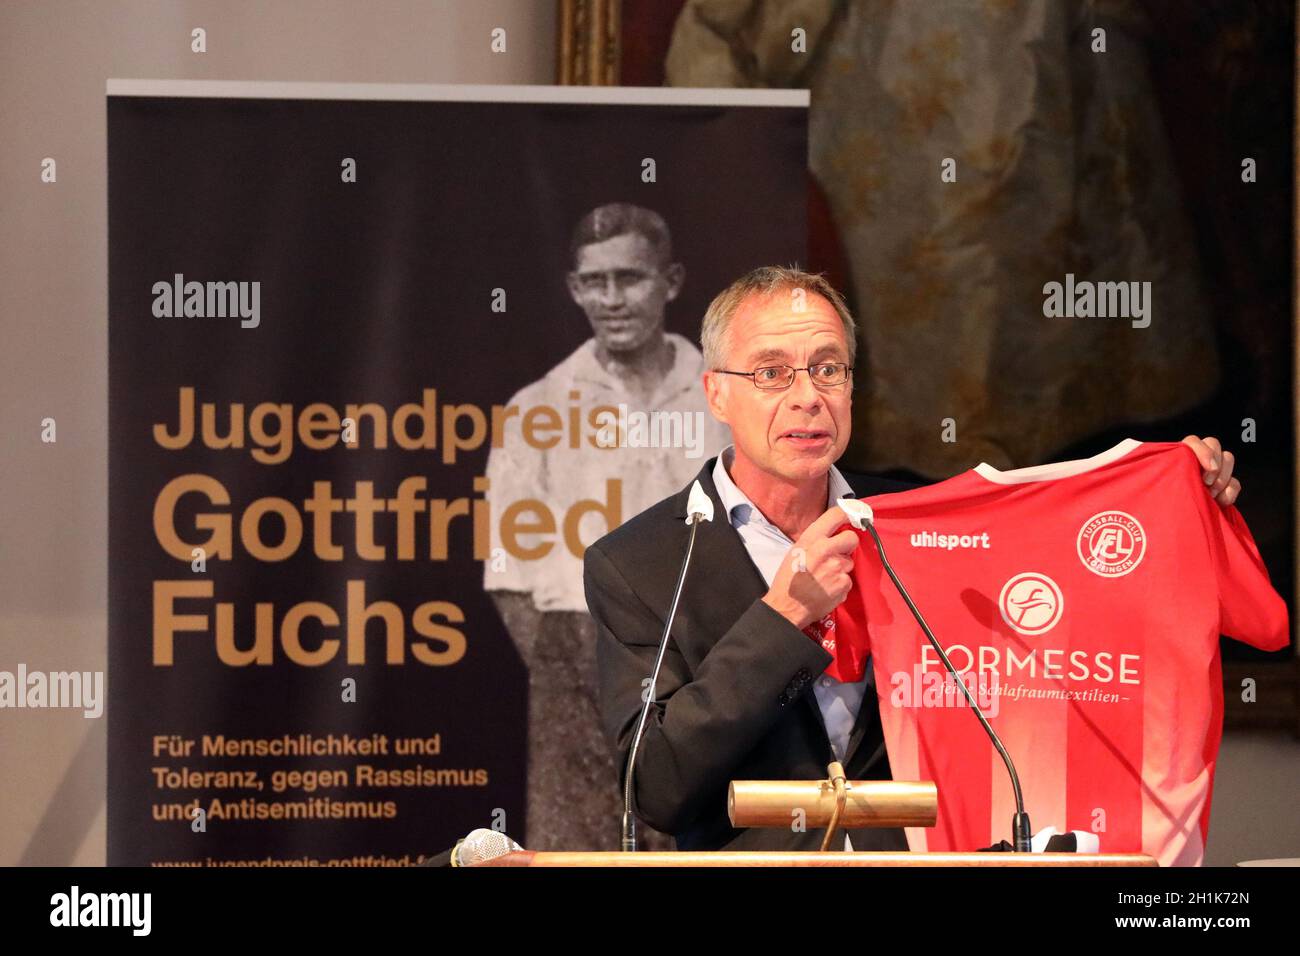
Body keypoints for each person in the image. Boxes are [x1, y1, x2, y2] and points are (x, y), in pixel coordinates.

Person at [584, 265, 1240, 851]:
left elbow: (1067, 558)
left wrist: (1178, 495)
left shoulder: (922, 524)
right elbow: (658, 786)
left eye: (828, 368)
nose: (807, 395)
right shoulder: (641, 563)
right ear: (717, 393)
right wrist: (781, 621)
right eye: (772, 372)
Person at [484, 202, 729, 850]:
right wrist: (583, 667)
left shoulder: (727, 402)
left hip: (709, 665)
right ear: (574, 288)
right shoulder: (535, 409)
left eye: (632, 278)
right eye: (596, 281)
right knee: (579, 854)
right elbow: (509, 579)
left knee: (702, 852)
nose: (613, 299)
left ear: (670, 281)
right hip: (577, 661)